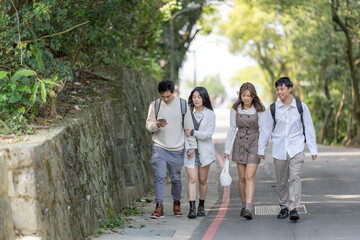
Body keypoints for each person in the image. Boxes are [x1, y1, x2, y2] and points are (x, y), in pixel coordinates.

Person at [258, 77, 318, 221]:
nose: (279, 92)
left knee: (295, 177)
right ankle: (284, 207)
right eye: (277, 89)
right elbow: (266, 130)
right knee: (282, 180)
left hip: (296, 147)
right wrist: (261, 149)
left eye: (282, 88)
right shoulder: (273, 108)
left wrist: (313, 149)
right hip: (279, 149)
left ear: (290, 89)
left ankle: (294, 208)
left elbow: (309, 127)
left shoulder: (301, 107)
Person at [145, 80, 197, 219]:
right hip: (159, 147)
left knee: (175, 178)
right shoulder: (155, 105)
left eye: (168, 96)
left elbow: (188, 127)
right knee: (159, 177)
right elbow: (148, 126)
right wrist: (156, 125)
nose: (166, 99)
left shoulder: (182, 104)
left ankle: (177, 203)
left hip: (177, 148)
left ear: (173, 92)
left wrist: (191, 146)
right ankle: (159, 206)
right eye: (163, 97)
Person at [224, 82, 265, 220]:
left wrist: (262, 149)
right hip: (239, 142)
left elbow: (264, 130)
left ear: (253, 96)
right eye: (244, 95)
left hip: (255, 142)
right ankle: (243, 205)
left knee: (249, 176)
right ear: (240, 96)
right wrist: (227, 149)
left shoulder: (259, 109)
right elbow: (231, 129)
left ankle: (248, 207)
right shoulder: (235, 109)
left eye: (249, 95)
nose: (246, 98)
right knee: (241, 178)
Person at [184, 87, 216, 218]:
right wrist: (189, 147)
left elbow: (208, 134)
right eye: (194, 97)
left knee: (202, 180)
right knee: (192, 179)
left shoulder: (210, 114)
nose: (196, 100)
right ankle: (192, 208)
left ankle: (201, 206)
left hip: (204, 151)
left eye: (199, 97)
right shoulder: (187, 113)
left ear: (204, 98)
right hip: (190, 152)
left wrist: (193, 132)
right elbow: (184, 134)